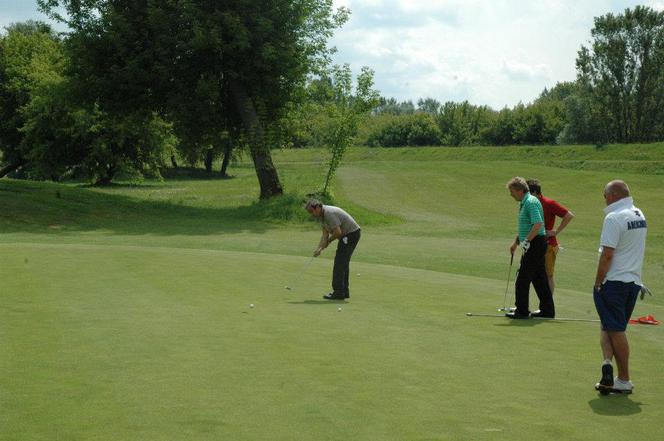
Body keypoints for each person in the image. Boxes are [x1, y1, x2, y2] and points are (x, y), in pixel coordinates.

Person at [593, 180, 647, 395]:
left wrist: (598, 281)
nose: (604, 200)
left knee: (615, 330)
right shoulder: (638, 214)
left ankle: (624, 379)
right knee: (608, 325)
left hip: (613, 282)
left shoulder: (614, 217)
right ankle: (607, 363)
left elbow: (607, 254)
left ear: (614, 195)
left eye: (605, 195)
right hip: (633, 281)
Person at [506, 177, 555, 319]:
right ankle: (547, 311)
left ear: (520, 190)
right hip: (534, 242)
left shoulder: (530, 202)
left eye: (512, 191)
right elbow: (526, 225)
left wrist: (527, 241)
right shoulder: (525, 202)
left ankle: (522, 311)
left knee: (522, 277)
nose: (511, 194)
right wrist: (517, 242)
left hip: (535, 243)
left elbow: (538, 224)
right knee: (539, 277)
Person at [305, 199, 361, 300]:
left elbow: (338, 232)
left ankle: (339, 292)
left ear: (317, 207)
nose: (311, 214)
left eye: (312, 211)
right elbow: (325, 234)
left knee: (340, 263)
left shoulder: (328, 213)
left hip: (351, 234)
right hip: (347, 235)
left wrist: (329, 241)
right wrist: (319, 248)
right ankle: (344, 292)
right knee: (343, 263)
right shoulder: (321, 216)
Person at [526, 179, 575, 295]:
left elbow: (568, 215)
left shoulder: (548, 203)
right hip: (532, 243)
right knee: (533, 274)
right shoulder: (529, 204)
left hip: (548, 244)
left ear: (533, 193)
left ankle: (548, 306)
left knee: (548, 275)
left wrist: (556, 231)